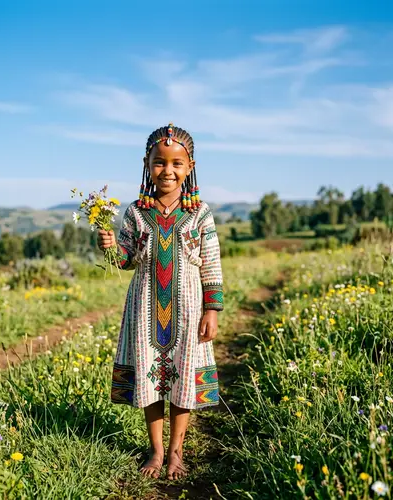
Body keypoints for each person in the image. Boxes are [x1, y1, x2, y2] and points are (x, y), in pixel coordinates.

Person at [97, 123, 224, 481]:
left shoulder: (200, 214)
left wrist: (212, 309)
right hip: (145, 307)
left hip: (188, 308)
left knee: (182, 377)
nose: (167, 171)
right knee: (150, 378)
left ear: (190, 166)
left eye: (176, 163)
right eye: (159, 162)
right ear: (146, 163)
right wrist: (109, 247)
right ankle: (155, 450)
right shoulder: (137, 212)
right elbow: (125, 260)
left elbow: (211, 263)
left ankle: (176, 453)